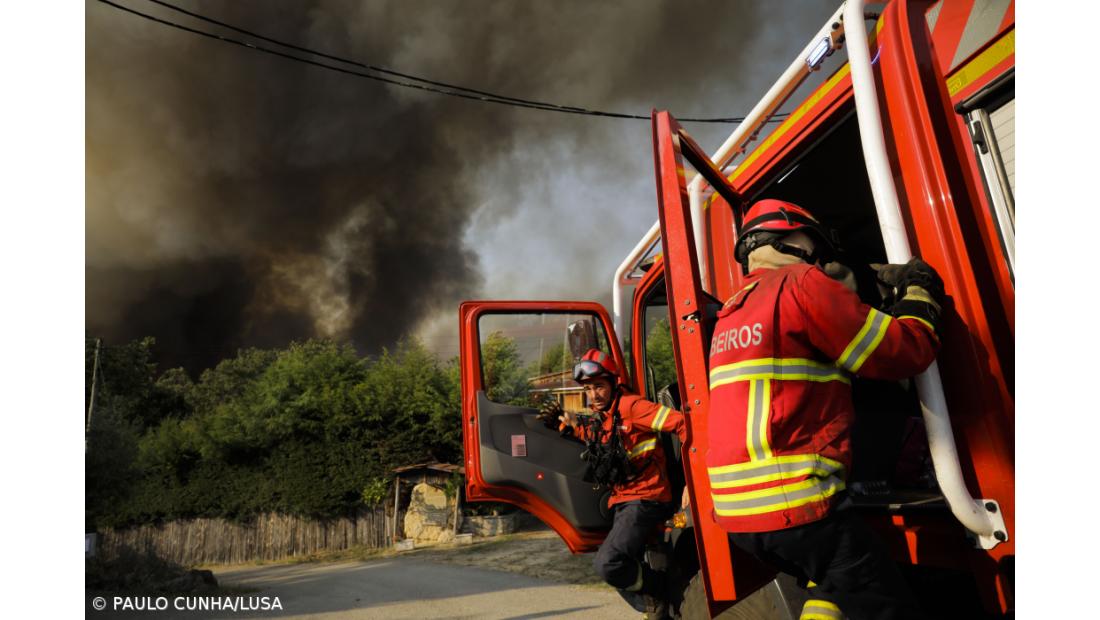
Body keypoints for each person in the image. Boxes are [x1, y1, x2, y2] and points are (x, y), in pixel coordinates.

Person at [706, 198, 943, 620]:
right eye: (816, 245)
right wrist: (919, 293)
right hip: (797, 505)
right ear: (793, 239)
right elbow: (903, 352)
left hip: (740, 518)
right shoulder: (800, 284)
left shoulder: (732, 312)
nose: (822, 259)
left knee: (831, 587)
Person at [538, 348, 686, 620]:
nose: (593, 394)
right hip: (624, 500)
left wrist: (693, 480)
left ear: (614, 383)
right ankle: (657, 606)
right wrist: (568, 424)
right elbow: (601, 439)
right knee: (623, 568)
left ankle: (659, 591)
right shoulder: (606, 416)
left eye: (599, 386)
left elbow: (681, 423)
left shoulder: (632, 407)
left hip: (645, 499)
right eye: (588, 388)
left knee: (608, 564)